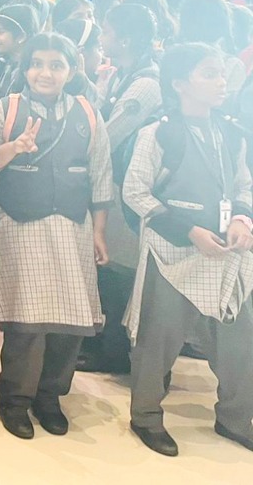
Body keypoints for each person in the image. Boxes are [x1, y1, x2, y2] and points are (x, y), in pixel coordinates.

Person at [0, 33, 113, 440]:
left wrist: (99, 232)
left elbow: (101, 174)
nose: (45, 73)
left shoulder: (87, 113)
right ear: (25, 67)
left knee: (71, 323)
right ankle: (15, 399)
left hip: (73, 228)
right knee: (25, 325)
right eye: (37, 64)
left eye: (56, 65)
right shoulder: (7, 109)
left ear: (71, 70)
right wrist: (12, 148)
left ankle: (50, 396)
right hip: (19, 227)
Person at [123, 43, 253, 457]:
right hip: (171, 254)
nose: (221, 82)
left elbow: (243, 187)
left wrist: (241, 220)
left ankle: (235, 417)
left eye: (221, 74)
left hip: (225, 254)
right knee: (157, 340)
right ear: (180, 83)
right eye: (209, 74)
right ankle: (145, 417)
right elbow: (135, 192)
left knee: (239, 341)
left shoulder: (232, 134)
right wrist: (189, 230)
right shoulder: (158, 133)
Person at [82, 4, 161, 375]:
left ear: (125, 39)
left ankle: (113, 350)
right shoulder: (122, 75)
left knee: (119, 269)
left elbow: (109, 136)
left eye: (107, 32)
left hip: (127, 193)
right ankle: (104, 343)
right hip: (113, 184)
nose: (101, 38)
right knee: (108, 267)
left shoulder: (145, 84)